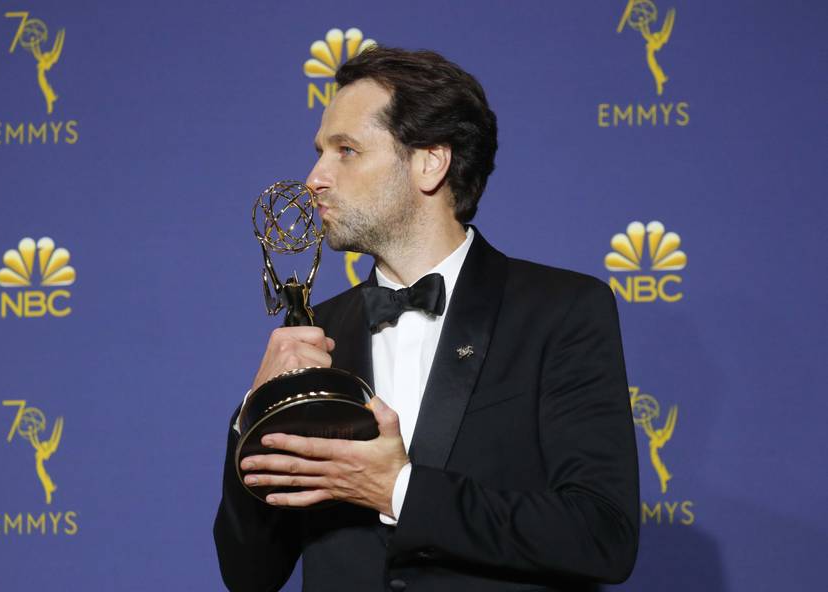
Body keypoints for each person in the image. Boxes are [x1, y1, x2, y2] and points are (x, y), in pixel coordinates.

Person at [214, 47, 639, 592]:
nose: (315, 177)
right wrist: (254, 413)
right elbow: (250, 575)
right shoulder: (318, 334)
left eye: (346, 151)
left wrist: (399, 491)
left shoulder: (561, 311)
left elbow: (601, 535)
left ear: (430, 162)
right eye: (319, 152)